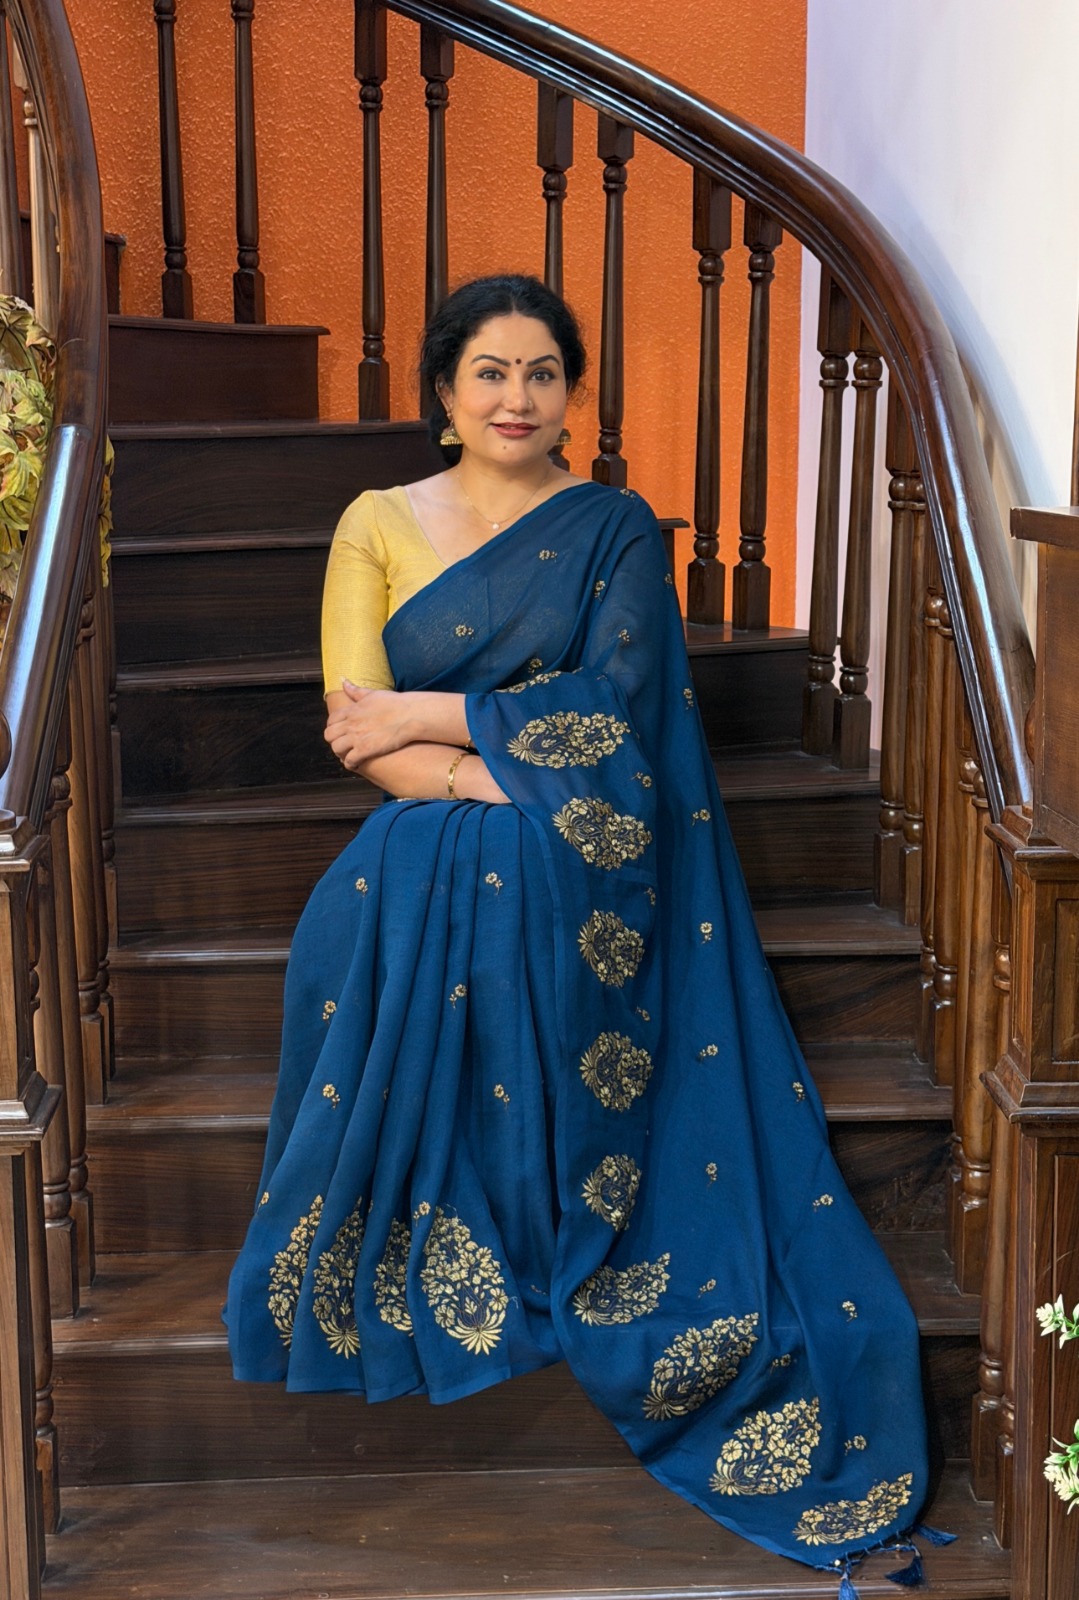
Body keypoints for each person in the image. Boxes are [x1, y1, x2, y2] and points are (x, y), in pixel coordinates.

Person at [225, 274, 930, 1586]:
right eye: (490, 372)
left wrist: (445, 722)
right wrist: (489, 775)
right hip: (443, 820)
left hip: (594, 841)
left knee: (530, 876)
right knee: (407, 889)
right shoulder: (375, 521)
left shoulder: (612, 529)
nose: (517, 397)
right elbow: (354, 730)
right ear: (444, 392)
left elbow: (618, 714)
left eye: (542, 373)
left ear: (571, 396)